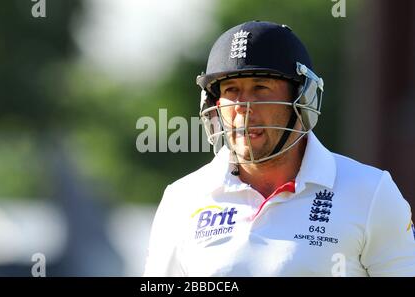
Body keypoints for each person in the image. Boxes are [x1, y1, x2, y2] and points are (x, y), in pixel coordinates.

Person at [143, 21, 415, 276]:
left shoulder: (371, 192)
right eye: (231, 89)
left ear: (302, 97)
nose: (242, 106)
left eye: (260, 87)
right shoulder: (181, 199)